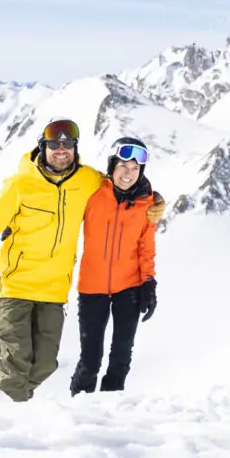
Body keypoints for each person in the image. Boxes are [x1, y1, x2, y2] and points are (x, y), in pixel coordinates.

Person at [0, 119, 105, 402]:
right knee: (16, 367)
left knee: (46, 364)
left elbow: (122, 187)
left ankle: (3, 408)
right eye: (54, 145)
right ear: (43, 147)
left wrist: (153, 200)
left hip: (53, 291)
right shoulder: (20, 185)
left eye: (68, 145)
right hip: (14, 287)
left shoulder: (89, 181)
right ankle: (4, 425)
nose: (61, 150)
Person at [72, 136, 165, 394]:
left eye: (135, 168)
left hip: (130, 287)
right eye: (123, 165)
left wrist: (149, 281)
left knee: (121, 358)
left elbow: (147, 247)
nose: (128, 173)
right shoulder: (93, 193)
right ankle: (78, 406)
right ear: (112, 165)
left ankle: (108, 413)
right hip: (92, 287)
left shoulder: (148, 203)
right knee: (90, 361)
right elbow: (61, 211)